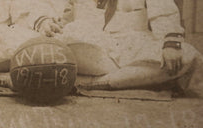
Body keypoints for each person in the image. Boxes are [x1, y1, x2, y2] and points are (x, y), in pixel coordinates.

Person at [51, 0, 203, 95]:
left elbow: (164, 11)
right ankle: (132, 78)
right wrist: (53, 25)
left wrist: (170, 44)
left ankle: (94, 82)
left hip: (135, 43)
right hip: (93, 46)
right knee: (57, 49)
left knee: (188, 56)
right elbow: (66, 15)